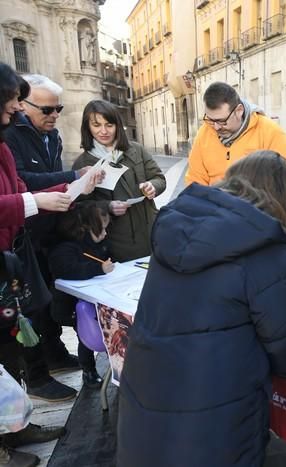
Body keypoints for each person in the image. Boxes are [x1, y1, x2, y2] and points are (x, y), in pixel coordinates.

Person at [117, 151, 286, 467]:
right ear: (285, 197)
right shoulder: (265, 249)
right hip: (217, 430)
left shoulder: (176, 227)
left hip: (146, 412)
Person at [0, 62, 97, 467]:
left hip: (10, 256)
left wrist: (70, 187)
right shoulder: (12, 137)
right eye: (9, 106)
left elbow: (21, 187)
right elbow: (25, 194)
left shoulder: (4, 142)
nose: (14, 113)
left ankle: (16, 426)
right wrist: (37, 201)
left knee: (11, 341)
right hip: (15, 247)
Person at [72, 99, 166, 262]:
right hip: (116, 242)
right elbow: (79, 206)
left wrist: (153, 186)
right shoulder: (82, 163)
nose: (104, 131)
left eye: (109, 125)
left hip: (152, 233)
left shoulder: (136, 149)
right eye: (96, 125)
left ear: (117, 125)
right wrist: (107, 207)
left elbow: (159, 178)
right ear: (88, 127)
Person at [48, 201, 114, 389]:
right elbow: (69, 270)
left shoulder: (95, 242)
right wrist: (98, 268)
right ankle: (88, 370)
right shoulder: (67, 247)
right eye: (102, 229)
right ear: (87, 227)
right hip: (72, 305)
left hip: (94, 297)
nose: (105, 234)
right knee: (84, 337)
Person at [185, 82, 286, 186]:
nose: (216, 127)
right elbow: (194, 181)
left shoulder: (271, 133)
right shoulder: (204, 133)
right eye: (210, 120)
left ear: (239, 111)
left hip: (256, 206)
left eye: (222, 121)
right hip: (213, 206)